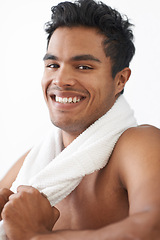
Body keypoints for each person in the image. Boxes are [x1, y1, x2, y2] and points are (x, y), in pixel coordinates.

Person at [0, 0, 160, 239]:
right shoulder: (32, 165)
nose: (61, 79)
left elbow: (152, 228)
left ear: (120, 80)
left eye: (83, 67)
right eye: (52, 65)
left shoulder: (139, 144)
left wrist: (36, 236)